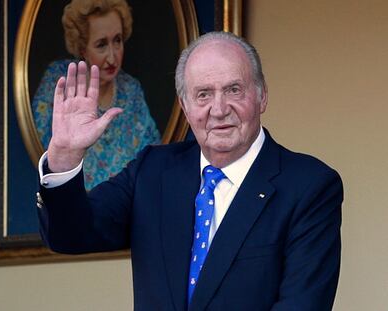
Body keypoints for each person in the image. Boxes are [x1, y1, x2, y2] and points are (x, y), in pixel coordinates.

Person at [36, 32, 343, 310]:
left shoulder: (309, 186)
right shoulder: (152, 172)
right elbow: (69, 236)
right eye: (203, 94)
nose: (219, 109)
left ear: (262, 95)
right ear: (184, 105)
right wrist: (64, 156)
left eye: (234, 90)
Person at [32, 0, 160, 189]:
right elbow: (48, 156)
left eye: (117, 40)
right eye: (101, 45)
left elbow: (153, 156)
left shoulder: (131, 90)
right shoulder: (57, 82)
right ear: (82, 48)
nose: (112, 57)